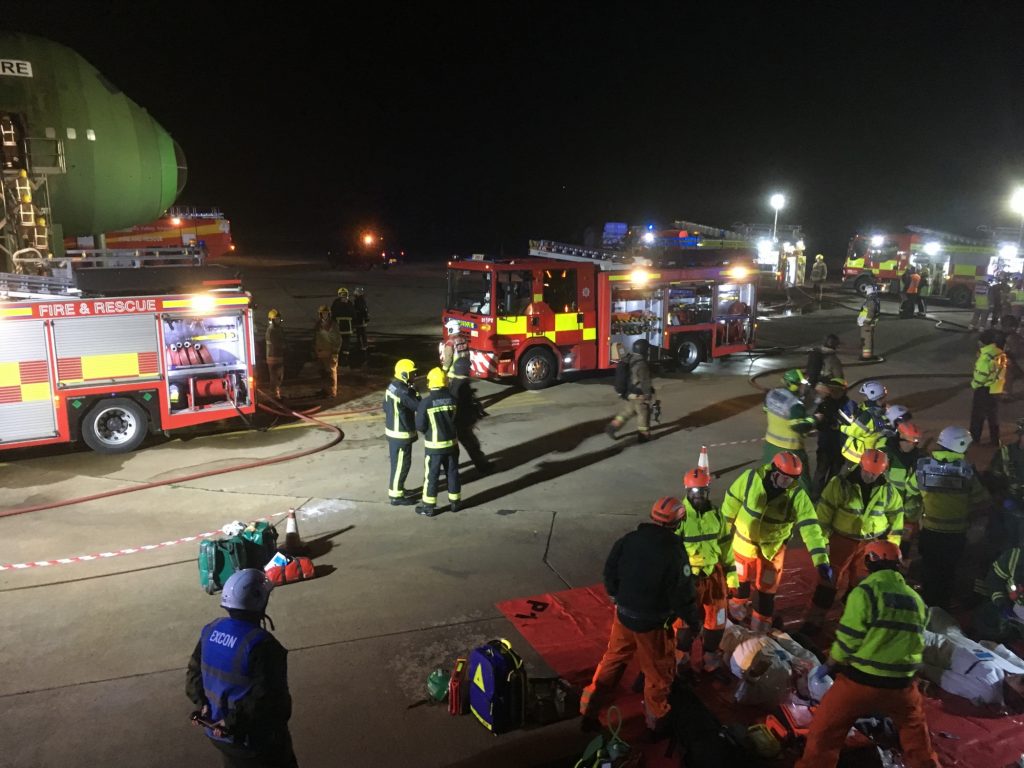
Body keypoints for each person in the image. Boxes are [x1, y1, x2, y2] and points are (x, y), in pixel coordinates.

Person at [794, 540, 937, 768]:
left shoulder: (867, 592)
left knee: (824, 733)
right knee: (917, 739)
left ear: (871, 561)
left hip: (862, 683)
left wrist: (830, 663)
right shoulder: (916, 600)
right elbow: (917, 642)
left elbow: (850, 637)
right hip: (903, 687)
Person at [580, 497, 700, 737]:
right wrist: (693, 620)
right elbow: (682, 592)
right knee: (658, 673)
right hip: (652, 624)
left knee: (613, 660)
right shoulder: (674, 551)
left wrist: (618, 596)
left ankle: (589, 710)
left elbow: (610, 571)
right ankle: (656, 723)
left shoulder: (629, 540)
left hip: (623, 615)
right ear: (678, 522)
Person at [186, 569, 298, 768]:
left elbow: (194, 676)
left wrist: (202, 703)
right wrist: (233, 722)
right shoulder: (262, 645)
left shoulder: (211, 630)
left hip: (219, 735)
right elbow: (267, 699)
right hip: (253, 740)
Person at [722, 452, 831, 632]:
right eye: (784, 477)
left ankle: (759, 634)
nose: (787, 482)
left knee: (765, 596)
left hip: (771, 554)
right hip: (743, 548)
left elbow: (810, 527)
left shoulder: (797, 496)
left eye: (792, 479)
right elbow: (728, 509)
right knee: (737, 589)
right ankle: (734, 622)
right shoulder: (750, 479)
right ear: (774, 470)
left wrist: (821, 560)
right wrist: (722, 540)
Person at [802, 449, 904, 635]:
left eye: (875, 474)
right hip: (842, 540)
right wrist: (822, 542)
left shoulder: (888, 490)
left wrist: (892, 545)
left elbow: (896, 516)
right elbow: (823, 515)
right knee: (828, 583)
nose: (870, 476)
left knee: (862, 586)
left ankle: (854, 623)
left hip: (870, 544)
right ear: (860, 466)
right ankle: (813, 622)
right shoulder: (839, 485)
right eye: (868, 472)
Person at [916, 426, 991, 608]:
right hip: (955, 535)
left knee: (929, 570)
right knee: (947, 574)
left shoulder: (924, 466)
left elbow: (910, 492)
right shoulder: (966, 472)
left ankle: (925, 606)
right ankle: (942, 607)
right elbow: (982, 500)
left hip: (929, 531)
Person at [674, 467, 735, 672]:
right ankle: (682, 662)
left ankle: (711, 661)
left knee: (717, 619)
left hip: (714, 574)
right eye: (695, 492)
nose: (699, 496)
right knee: (684, 624)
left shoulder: (716, 514)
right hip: (689, 576)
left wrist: (732, 575)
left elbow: (726, 544)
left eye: (702, 492)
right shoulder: (680, 517)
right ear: (687, 491)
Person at [415, 367, 461, 517]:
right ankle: (455, 502)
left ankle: (428, 507)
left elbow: (420, 425)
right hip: (452, 445)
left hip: (434, 447)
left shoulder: (426, 403)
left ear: (430, 383)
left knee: (432, 476)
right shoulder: (453, 400)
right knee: (452, 473)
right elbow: (458, 420)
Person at [762, 368, 815, 490]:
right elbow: (798, 426)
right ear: (793, 385)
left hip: (770, 444)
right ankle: (809, 505)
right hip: (791, 448)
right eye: (802, 384)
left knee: (769, 475)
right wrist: (814, 420)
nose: (804, 387)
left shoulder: (772, 394)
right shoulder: (795, 404)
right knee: (802, 480)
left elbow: (765, 409)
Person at [812, 376, 856, 500]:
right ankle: (816, 497)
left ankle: (826, 497)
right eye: (832, 389)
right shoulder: (824, 404)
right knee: (821, 472)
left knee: (832, 475)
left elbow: (853, 424)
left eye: (837, 390)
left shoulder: (849, 406)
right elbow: (817, 422)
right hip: (826, 446)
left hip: (839, 447)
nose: (834, 392)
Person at [383, 359, 421, 506]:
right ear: (404, 374)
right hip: (401, 433)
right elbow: (418, 407)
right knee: (401, 465)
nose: (415, 375)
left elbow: (385, 406)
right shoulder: (404, 391)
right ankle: (396, 496)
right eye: (412, 373)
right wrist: (416, 392)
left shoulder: (393, 386)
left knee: (398, 464)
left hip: (394, 432)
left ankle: (399, 488)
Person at [885, 421, 924, 560]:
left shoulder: (920, 460)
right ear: (899, 439)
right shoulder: (886, 455)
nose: (912, 445)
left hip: (908, 513)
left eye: (915, 442)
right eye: (909, 441)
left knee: (905, 545)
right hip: (887, 510)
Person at [605, 339, 655, 444]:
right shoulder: (642, 364)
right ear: (644, 350)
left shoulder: (630, 358)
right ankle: (643, 435)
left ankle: (612, 427)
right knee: (643, 413)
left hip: (629, 393)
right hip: (638, 394)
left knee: (627, 412)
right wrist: (648, 395)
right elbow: (645, 381)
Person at [449, 367, 495, 474]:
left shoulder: (455, 383)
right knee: (472, 446)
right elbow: (465, 406)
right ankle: (483, 467)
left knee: (459, 449)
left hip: (457, 423)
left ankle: (449, 471)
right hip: (462, 423)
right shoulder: (462, 385)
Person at [973, 546, 1024, 642]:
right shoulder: (1015, 557)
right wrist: (1001, 602)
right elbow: (995, 579)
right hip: (1012, 607)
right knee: (987, 617)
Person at [987, 416, 1024, 546]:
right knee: (1009, 541)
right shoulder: (1005, 453)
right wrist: (1004, 500)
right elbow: (992, 481)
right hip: (1010, 505)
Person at [969, 328, 1006, 446]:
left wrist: (974, 385)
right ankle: (995, 440)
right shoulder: (999, 352)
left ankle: (974, 439)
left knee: (977, 417)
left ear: (982, 342)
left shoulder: (985, 357)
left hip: (984, 389)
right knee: (993, 417)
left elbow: (981, 376)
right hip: (996, 389)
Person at [312, 305, 341, 398]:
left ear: (329, 314)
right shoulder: (318, 325)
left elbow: (338, 339)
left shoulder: (333, 325)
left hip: (330, 353)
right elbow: (316, 338)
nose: (324, 315)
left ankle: (332, 392)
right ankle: (324, 390)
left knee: (331, 374)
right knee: (323, 373)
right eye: (323, 314)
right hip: (321, 353)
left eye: (326, 313)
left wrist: (335, 352)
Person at [999, 315, 1024, 398]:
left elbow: (1016, 352)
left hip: (1018, 363)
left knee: (1007, 371)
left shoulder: (1012, 338)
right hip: (1018, 363)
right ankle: (1006, 392)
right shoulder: (1013, 337)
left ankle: (1006, 392)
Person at [330, 287, 356, 366]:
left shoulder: (336, 302)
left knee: (338, 342)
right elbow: (353, 314)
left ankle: (338, 357)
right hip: (348, 327)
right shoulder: (349, 303)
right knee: (346, 342)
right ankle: (344, 358)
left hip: (338, 326)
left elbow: (333, 313)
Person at [857, 283, 881, 360]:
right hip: (869, 323)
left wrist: (866, 321)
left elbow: (871, 312)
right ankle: (868, 355)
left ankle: (866, 356)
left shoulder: (871, 300)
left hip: (867, 324)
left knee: (866, 340)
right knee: (868, 339)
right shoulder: (874, 299)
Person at [265, 308, 286, 399]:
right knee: (275, 377)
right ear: (271, 320)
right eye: (276, 319)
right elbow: (277, 343)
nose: (278, 321)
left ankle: (276, 394)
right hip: (273, 357)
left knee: (279, 376)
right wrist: (284, 346)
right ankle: (274, 395)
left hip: (278, 356)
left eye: (278, 319)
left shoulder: (279, 329)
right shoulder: (271, 331)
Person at [352, 287, 370, 352]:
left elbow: (360, 310)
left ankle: (362, 346)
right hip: (361, 320)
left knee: (360, 334)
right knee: (362, 334)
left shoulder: (358, 300)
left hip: (360, 320)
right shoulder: (361, 300)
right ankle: (363, 345)